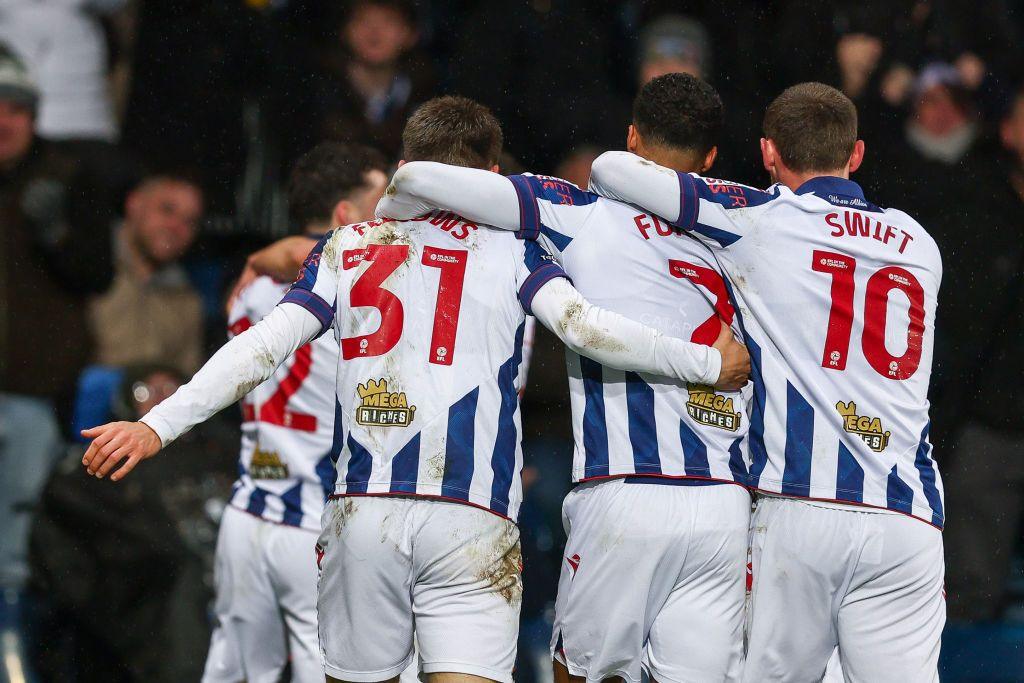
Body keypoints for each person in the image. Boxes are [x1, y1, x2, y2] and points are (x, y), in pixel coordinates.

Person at [80, 95, 749, 683]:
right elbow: (584, 326)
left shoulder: (350, 244)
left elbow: (263, 345)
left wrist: (156, 424)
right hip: (472, 517)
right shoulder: (519, 249)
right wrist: (702, 364)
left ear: (406, 162)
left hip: (363, 511)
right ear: (491, 176)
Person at [377, 73, 751, 683]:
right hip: (724, 503)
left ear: (632, 137)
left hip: (626, 488)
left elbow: (417, 177)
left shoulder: (580, 213)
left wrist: (384, 213)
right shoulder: (743, 234)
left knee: (575, 673)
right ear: (710, 157)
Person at [587, 82, 945, 681]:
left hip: (799, 504)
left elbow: (614, 171)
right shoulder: (920, 243)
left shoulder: (759, 222)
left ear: (768, 152)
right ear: (855, 154)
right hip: (906, 517)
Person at [201, 142, 388, 683]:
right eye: (379, 199)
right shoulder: (358, 289)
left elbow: (288, 261)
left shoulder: (249, 285)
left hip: (249, 507)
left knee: (232, 669)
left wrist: (261, 256)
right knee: (324, 667)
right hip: (315, 520)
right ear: (344, 216)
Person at [0, 45, 114, 616]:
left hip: (33, 396)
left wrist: (59, 233)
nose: (4, 120)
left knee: (18, 542)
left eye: (16, 108)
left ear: (34, 116)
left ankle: (12, 645)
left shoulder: (70, 175)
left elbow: (97, 275)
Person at [940, 84, 1024, 623]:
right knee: (970, 596)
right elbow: (958, 328)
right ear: (1009, 129)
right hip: (989, 424)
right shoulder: (974, 204)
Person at [88, 171, 204, 375]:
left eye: (189, 222)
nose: (176, 227)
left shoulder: (187, 299)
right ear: (134, 203)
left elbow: (187, 380)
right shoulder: (84, 263)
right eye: (167, 210)